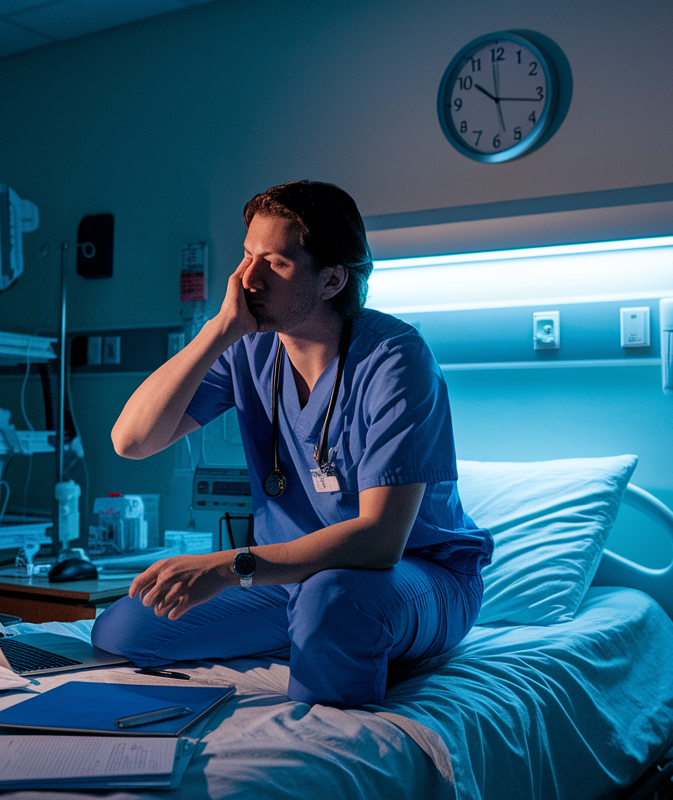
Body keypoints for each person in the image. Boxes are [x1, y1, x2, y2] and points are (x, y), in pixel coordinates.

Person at [92, 180, 491, 708]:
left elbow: (379, 541)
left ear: (330, 280)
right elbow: (131, 440)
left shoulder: (396, 360)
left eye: (274, 263)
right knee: (126, 630)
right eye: (246, 255)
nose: (245, 279)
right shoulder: (249, 351)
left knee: (335, 598)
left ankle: (339, 662)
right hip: (286, 577)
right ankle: (314, 629)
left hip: (413, 575)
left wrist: (227, 566)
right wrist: (217, 331)